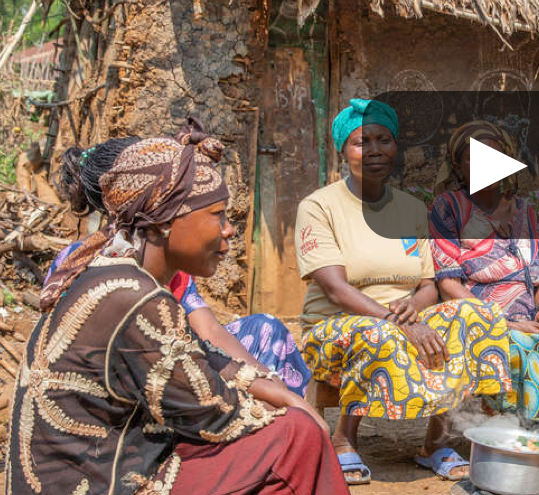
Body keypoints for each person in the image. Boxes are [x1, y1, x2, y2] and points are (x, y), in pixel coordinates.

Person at [7, 121, 346, 495]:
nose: (229, 229)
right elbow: (214, 411)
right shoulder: (134, 297)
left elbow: (203, 354)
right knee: (297, 435)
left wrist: (266, 385)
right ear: (166, 221)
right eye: (217, 214)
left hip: (107, 466)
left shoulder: (114, 278)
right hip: (104, 483)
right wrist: (290, 406)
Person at [296, 99, 512, 484]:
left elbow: (429, 284)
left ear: (396, 147)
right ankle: (345, 440)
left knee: (477, 314)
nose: (375, 149)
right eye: (362, 142)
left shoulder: (412, 208)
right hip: (335, 326)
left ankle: (436, 443)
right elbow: (335, 289)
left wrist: (412, 308)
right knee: (377, 332)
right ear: (343, 150)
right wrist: (398, 321)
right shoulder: (319, 207)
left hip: (403, 317)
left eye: (385, 139)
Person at [51, 137, 312, 396]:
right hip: (125, 383)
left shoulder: (164, 257)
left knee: (265, 330)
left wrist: (271, 384)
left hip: (176, 356)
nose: (228, 230)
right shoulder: (88, 268)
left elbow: (206, 330)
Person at [431, 120, 539, 334]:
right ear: (458, 167)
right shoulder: (448, 208)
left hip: (530, 320)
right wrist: (508, 326)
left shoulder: (524, 211)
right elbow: (448, 285)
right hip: (479, 322)